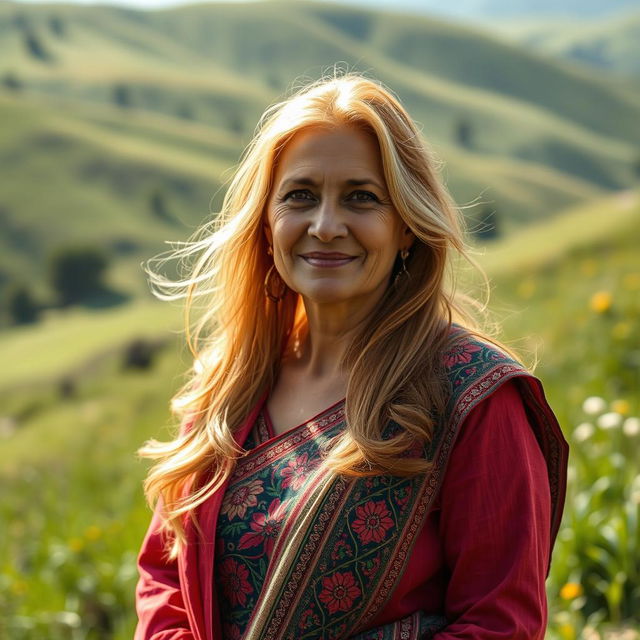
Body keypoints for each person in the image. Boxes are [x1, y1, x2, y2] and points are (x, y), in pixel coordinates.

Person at [134, 71, 569, 640]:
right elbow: (165, 580)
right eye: (300, 196)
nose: (326, 225)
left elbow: (499, 623)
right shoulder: (228, 389)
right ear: (267, 224)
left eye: (362, 197)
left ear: (408, 226)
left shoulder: (476, 398)